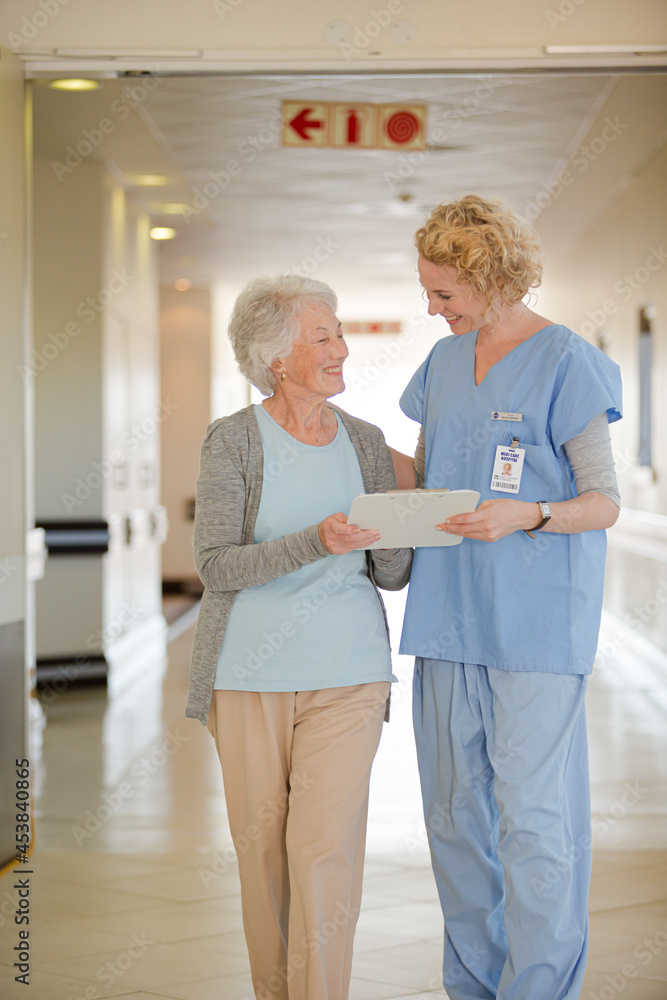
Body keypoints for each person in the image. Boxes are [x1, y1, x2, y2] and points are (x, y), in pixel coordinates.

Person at [391, 195, 622, 1000]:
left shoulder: (565, 359)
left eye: (443, 293)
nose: (431, 308)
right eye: (426, 291)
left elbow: (601, 500)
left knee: (533, 822)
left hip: (534, 626)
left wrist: (532, 512)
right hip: (446, 620)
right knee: (455, 821)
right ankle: (474, 987)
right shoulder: (442, 364)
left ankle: (539, 988)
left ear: (490, 279)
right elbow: (424, 478)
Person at [186, 274, 412, 1000]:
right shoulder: (232, 441)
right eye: (323, 336)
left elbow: (390, 572)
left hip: (349, 673)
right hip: (246, 676)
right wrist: (314, 541)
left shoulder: (366, 442)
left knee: (323, 854)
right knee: (266, 864)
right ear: (275, 357)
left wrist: (411, 519)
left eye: (339, 333)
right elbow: (215, 565)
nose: (342, 349)